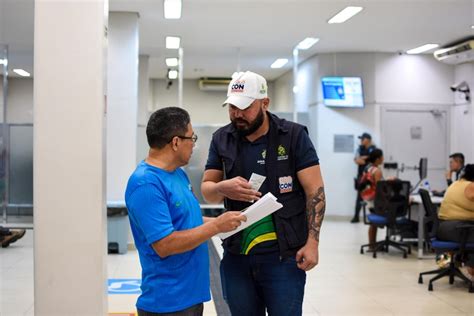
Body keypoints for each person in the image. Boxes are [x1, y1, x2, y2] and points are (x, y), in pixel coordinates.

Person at [201, 71, 325, 316]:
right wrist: (220, 187)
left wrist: (313, 243)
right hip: (237, 254)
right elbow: (208, 192)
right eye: (232, 107)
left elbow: (315, 191)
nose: (237, 114)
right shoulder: (221, 139)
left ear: (265, 103)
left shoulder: (294, 136)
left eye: (245, 107)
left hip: (283, 257)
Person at [125, 107, 246, 316]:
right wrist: (217, 225)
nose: (194, 145)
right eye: (192, 138)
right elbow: (165, 244)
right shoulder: (146, 184)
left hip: (190, 297)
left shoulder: (178, 175)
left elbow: (189, 220)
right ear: (175, 142)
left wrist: (228, 222)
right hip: (167, 303)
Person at [437, 163, 474, 280]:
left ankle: (443, 264)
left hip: (442, 228)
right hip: (457, 229)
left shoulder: (455, 184)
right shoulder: (471, 186)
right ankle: (470, 270)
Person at [358, 148, 384, 248]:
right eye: (382, 157)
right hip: (375, 201)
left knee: (373, 224)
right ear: (378, 159)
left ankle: (371, 244)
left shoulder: (367, 168)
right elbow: (379, 188)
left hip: (367, 199)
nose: (383, 158)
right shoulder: (377, 171)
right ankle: (372, 245)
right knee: (374, 223)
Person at [351, 133, 376, 223]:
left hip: (371, 177)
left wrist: (364, 159)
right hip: (361, 177)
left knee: (372, 197)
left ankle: (374, 216)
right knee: (359, 197)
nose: (361, 140)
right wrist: (365, 159)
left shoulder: (373, 149)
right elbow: (357, 160)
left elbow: (373, 160)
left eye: (363, 138)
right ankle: (356, 217)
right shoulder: (360, 148)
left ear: (368, 139)